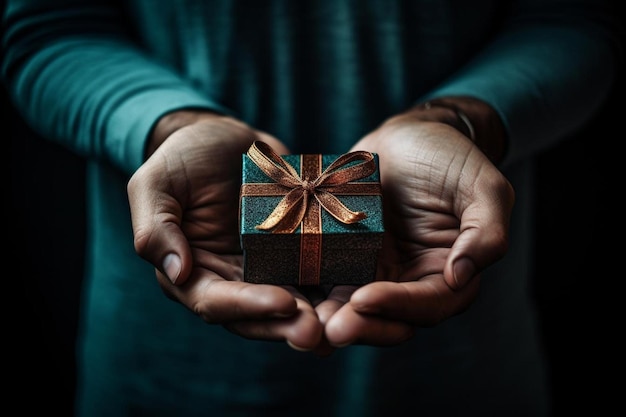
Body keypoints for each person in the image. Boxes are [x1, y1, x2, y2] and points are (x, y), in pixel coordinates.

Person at [2, 1, 622, 416]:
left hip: (463, 371)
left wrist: (462, 120)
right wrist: (169, 126)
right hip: (159, 369)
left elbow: (574, 17)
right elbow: (49, 29)